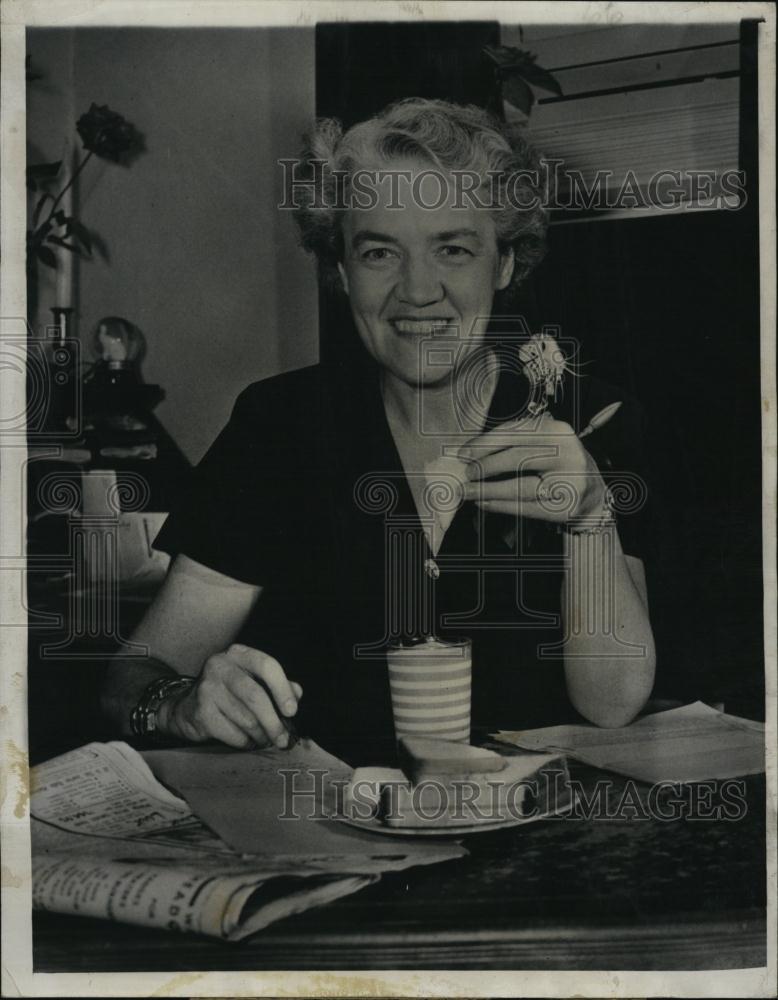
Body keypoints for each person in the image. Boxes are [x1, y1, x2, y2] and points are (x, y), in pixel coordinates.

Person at [101, 98, 655, 764]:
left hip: (532, 822)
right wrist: (177, 703)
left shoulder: (588, 418)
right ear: (341, 271)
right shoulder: (279, 426)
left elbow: (612, 703)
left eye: (453, 249)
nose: (417, 290)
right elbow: (135, 673)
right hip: (327, 816)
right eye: (379, 252)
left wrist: (591, 519)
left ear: (505, 264)